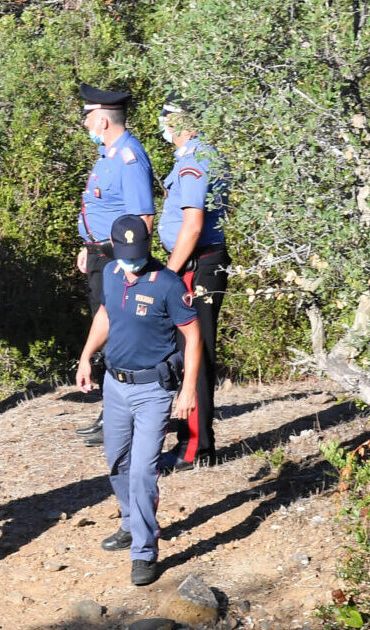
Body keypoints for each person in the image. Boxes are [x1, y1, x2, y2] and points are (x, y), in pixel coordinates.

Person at [75, 215, 202, 586]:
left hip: (153, 391)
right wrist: (86, 356)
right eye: (126, 255)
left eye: (138, 254)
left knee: (144, 470)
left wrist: (188, 389)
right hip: (115, 386)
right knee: (117, 463)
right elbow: (105, 315)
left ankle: (144, 551)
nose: (132, 263)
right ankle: (131, 523)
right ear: (114, 248)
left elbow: (192, 338)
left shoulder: (167, 283)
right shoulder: (113, 273)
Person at [74, 84, 157, 447]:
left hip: (116, 256)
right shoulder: (108, 153)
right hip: (99, 252)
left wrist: (131, 267)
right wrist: (86, 243)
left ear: (103, 119)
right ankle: (111, 412)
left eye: (87, 116)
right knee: (104, 328)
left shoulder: (129, 157)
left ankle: (119, 416)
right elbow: (102, 206)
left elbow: (144, 217)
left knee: (115, 333)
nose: (85, 123)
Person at [156, 93, 230, 471]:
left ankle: (196, 448)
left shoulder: (195, 160)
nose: (162, 124)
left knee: (195, 352)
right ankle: (188, 436)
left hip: (197, 265)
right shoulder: (193, 157)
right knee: (186, 350)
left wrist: (169, 272)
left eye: (165, 117)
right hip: (196, 263)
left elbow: (193, 224)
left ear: (181, 121)